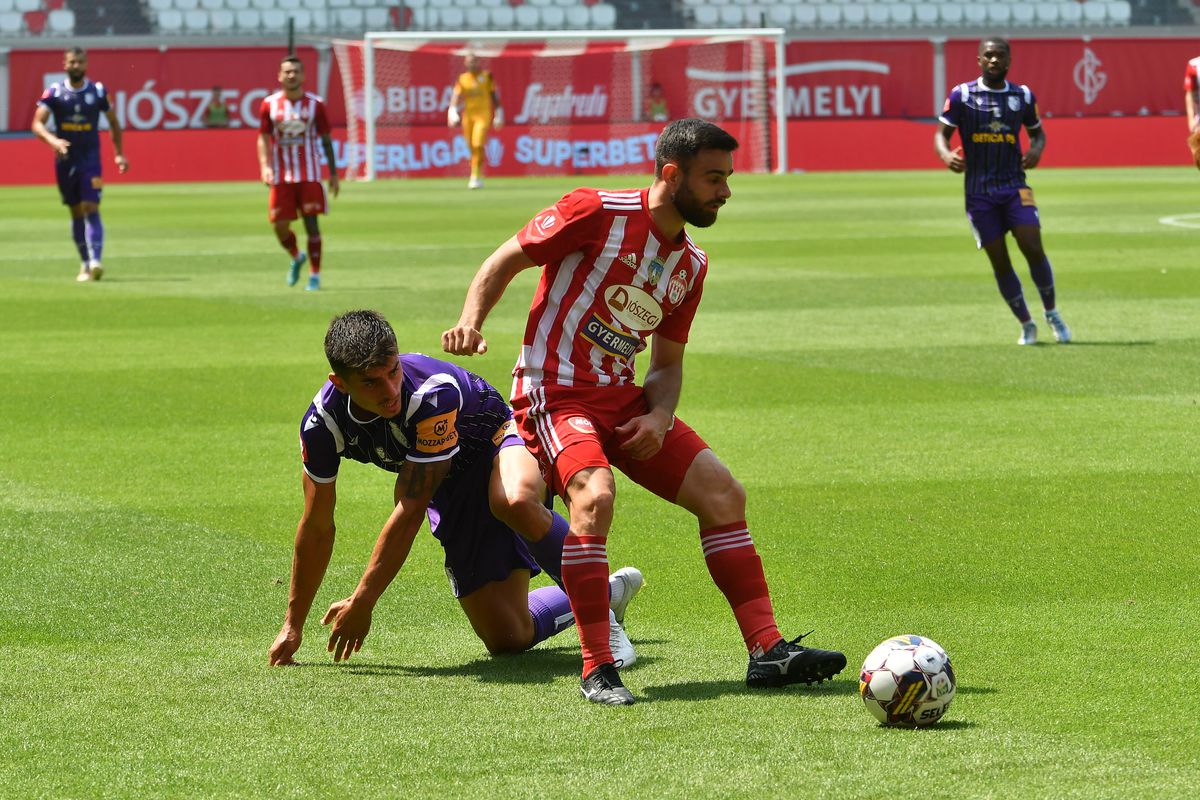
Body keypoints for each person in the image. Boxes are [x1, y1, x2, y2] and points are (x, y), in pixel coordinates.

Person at [442, 118, 847, 705]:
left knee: (723, 493)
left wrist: (659, 417)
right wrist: (471, 322)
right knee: (594, 497)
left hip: (626, 402)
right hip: (553, 391)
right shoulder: (594, 211)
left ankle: (767, 651)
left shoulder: (691, 266)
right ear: (670, 173)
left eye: (727, 179)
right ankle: (598, 666)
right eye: (714, 179)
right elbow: (506, 258)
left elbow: (666, 365)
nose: (725, 192)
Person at [269, 309, 642, 668]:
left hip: (502, 440)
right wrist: (293, 624)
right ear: (340, 383)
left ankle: (600, 625)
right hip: (449, 482)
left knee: (512, 499)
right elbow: (316, 526)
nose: (389, 390)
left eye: (393, 371)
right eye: (371, 382)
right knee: (508, 637)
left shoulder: (431, 396)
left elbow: (412, 509)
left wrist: (363, 601)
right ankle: (605, 590)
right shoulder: (321, 425)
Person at [935, 37, 1071, 346]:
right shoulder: (962, 95)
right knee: (1000, 262)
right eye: (988, 56)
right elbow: (941, 135)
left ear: (1009, 61)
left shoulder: (1021, 96)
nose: (994, 60)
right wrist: (945, 155)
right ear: (979, 60)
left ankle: (1052, 313)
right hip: (979, 193)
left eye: (999, 56)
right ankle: (1026, 323)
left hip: (1015, 186)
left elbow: (1038, 135)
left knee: (1033, 247)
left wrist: (1037, 150)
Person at [31, 47, 128, 283]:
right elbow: (37, 124)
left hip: (91, 161)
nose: (77, 66)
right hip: (65, 162)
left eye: (80, 62)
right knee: (75, 211)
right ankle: (85, 263)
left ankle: (96, 261)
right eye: (72, 62)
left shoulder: (97, 91)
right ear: (64, 64)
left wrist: (119, 154)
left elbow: (114, 123)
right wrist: (53, 140)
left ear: (87, 65)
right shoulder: (54, 92)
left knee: (90, 207)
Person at [257, 56, 339, 292]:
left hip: (309, 174)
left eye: (296, 71)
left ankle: (315, 276)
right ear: (279, 76)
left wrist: (333, 174)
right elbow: (263, 137)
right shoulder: (269, 104)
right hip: (282, 175)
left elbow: (325, 139)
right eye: (287, 72)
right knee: (279, 225)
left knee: (311, 225)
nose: (291, 75)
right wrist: (265, 165)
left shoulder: (316, 104)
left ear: (303, 76)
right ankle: (296, 255)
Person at [447, 53, 502, 190]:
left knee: (478, 144)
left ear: (478, 62)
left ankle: (475, 177)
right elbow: (456, 95)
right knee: (471, 147)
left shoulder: (486, 76)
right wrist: (452, 111)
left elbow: (494, 96)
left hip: (483, 115)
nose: (472, 64)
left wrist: (499, 114)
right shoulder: (462, 79)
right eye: (469, 62)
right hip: (468, 116)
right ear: (466, 63)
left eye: (474, 61)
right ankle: (477, 173)